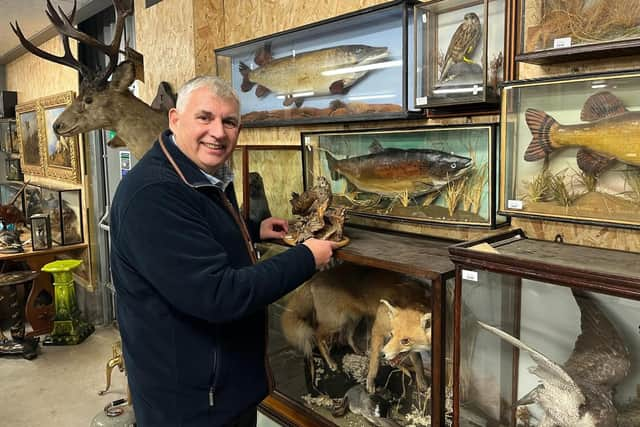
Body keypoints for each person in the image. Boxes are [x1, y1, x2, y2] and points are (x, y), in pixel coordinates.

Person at [110, 75, 337, 426]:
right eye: (205, 117)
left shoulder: (199, 174)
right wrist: (307, 256)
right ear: (174, 119)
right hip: (191, 407)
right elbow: (219, 294)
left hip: (220, 392)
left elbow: (192, 236)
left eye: (229, 121)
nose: (218, 132)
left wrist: (249, 230)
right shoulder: (153, 194)